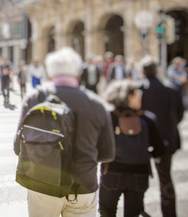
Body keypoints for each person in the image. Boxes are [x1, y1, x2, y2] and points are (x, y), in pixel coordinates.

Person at [14, 47, 115, 216]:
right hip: (83, 185)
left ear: (50, 73)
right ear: (78, 73)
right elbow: (107, 153)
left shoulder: (34, 99)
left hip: (43, 183)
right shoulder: (96, 105)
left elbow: (18, 147)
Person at [99, 79, 165, 217]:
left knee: (107, 211)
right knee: (133, 214)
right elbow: (160, 150)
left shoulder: (109, 117)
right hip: (139, 176)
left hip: (111, 173)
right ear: (128, 96)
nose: (140, 95)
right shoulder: (148, 119)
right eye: (137, 93)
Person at [139, 56, 184, 217]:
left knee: (139, 180)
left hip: (142, 141)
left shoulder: (139, 90)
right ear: (157, 71)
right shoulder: (172, 90)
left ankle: (139, 210)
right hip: (166, 140)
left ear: (142, 72)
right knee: (166, 179)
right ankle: (169, 214)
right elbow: (179, 116)